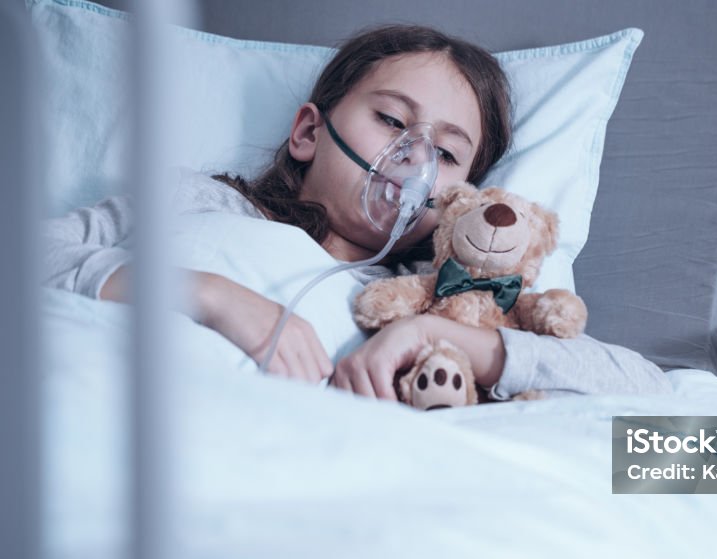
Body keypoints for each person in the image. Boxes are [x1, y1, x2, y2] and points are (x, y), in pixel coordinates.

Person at [43, 25, 671, 401]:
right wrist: (211, 295)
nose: (414, 159)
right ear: (308, 133)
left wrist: (440, 336)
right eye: (392, 121)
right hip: (82, 383)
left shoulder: (415, 301)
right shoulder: (199, 203)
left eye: (448, 153)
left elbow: (647, 393)